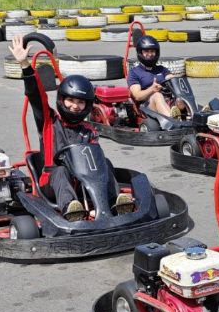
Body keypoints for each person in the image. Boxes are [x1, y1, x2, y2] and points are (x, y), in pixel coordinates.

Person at [10, 35, 131, 222]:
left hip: (84, 183)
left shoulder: (88, 131)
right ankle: (71, 210)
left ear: (87, 105)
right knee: (61, 171)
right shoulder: (49, 122)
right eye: (71, 100)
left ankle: (116, 203)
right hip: (52, 182)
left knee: (105, 163)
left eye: (80, 102)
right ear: (62, 100)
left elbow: (94, 163)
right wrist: (25, 64)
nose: (75, 106)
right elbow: (36, 95)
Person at [127, 35, 185, 119]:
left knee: (180, 98)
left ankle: (192, 116)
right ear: (140, 53)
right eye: (146, 51)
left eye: (152, 51)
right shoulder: (134, 72)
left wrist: (175, 82)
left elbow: (172, 79)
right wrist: (152, 89)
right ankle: (172, 120)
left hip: (167, 100)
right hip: (147, 106)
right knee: (157, 95)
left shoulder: (162, 69)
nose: (150, 54)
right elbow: (137, 96)